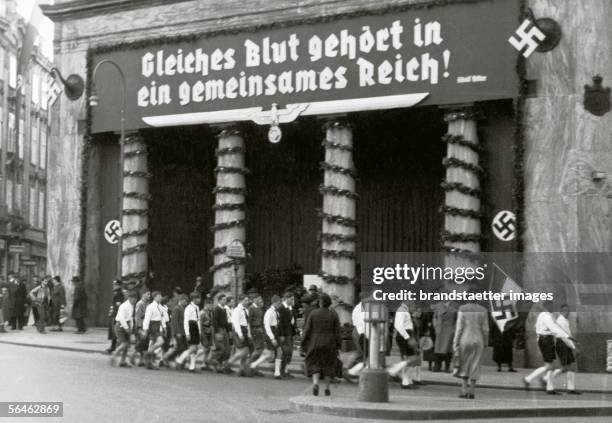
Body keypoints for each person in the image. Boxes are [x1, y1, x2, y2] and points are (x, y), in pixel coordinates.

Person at [523, 301, 575, 394]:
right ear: (546, 307)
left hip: (544, 339)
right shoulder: (547, 317)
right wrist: (567, 336)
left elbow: (541, 328)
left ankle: (546, 387)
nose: (552, 308)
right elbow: (554, 329)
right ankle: (530, 380)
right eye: (550, 306)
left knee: (550, 366)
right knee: (550, 366)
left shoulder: (542, 316)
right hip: (546, 340)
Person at [301, 293, 341, 396]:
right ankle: (327, 388)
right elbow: (337, 332)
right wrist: (338, 346)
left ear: (321, 303)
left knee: (315, 364)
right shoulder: (334, 314)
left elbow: (307, 330)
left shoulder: (313, 314)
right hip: (330, 343)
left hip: (315, 342)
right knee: (328, 365)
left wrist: (303, 344)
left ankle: (315, 384)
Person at [453, 301, 489, 399]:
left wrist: (455, 343)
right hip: (478, 339)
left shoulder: (462, 309)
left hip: (465, 338)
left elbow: (459, 328)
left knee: (464, 364)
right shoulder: (483, 310)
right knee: (476, 364)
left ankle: (464, 390)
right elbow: (485, 329)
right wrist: (486, 342)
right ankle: (472, 391)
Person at [388, 302, 421, 389]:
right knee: (412, 358)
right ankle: (394, 370)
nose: (414, 304)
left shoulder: (405, 311)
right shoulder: (401, 311)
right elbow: (398, 326)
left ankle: (405, 382)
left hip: (405, 335)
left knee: (410, 359)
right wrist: (408, 338)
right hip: (404, 335)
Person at [549, 304, 581, 394]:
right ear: (561, 311)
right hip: (563, 344)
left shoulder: (565, 321)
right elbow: (564, 337)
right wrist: (574, 347)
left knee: (570, 366)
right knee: (567, 367)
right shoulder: (562, 321)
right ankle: (547, 380)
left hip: (565, 344)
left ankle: (571, 388)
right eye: (564, 310)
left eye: (568, 310)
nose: (567, 312)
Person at [250, 295, 282, 377]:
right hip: (271, 333)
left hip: (275, 331)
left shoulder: (275, 311)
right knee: (268, 353)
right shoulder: (269, 312)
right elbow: (267, 326)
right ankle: (254, 364)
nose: (280, 304)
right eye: (279, 302)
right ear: (274, 302)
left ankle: (277, 372)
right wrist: (272, 338)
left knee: (278, 351)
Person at [111, 291, 138, 368]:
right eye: (133, 299)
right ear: (129, 298)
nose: (135, 300)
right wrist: (126, 328)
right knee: (124, 344)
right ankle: (114, 354)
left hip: (127, 325)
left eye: (135, 299)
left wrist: (131, 328)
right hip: (120, 326)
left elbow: (130, 318)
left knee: (127, 345)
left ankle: (122, 361)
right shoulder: (124, 306)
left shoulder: (131, 306)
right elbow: (122, 318)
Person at [228, 294, 253, 377]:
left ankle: (241, 370)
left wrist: (248, 333)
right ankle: (229, 362)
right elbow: (236, 323)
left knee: (245, 353)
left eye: (248, 300)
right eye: (245, 300)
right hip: (240, 331)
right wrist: (240, 334)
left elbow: (247, 322)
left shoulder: (246, 310)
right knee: (244, 351)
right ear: (240, 301)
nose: (247, 302)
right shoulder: (237, 310)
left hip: (245, 330)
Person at [143, 291, 167, 370]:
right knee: (160, 342)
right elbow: (147, 319)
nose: (160, 298)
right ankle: (148, 353)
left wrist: (164, 327)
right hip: (152, 326)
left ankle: (150, 362)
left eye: (161, 296)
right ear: (154, 297)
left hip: (158, 326)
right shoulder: (150, 307)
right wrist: (145, 329)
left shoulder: (161, 307)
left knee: (152, 343)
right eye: (159, 296)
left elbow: (162, 318)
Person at [432, 300, 457, 372]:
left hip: (449, 330)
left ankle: (447, 367)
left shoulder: (455, 305)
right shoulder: (438, 305)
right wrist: (435, 327)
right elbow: (434, 317)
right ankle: (437, 366)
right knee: (438, 348)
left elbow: (457, 319)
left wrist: (454, 330)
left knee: (448, 349)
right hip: (439, 330)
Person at [164, 294, 188, 366]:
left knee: (183, 347)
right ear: (181, 300)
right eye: (185, 301)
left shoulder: (183, 308)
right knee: (178, 347)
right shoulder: (176, 308)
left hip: (183, 332)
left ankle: (180, 362)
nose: (186, 302)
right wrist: (177, 332)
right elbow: (174, 322)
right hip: (178, 332)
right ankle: (167, 357)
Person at [211, 294, 231, 373]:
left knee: (227, 349)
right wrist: (216, 333)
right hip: (219, 330)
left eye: (225, 300)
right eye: (223, 300)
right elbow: (215, 321)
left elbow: (225, 322)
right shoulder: (217, 309)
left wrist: (228, 331)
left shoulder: (224, 309)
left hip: (224, 330)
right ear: (219, 300)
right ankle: (214, 361)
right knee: (221, 348)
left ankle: (218, 364)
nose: (225, 301)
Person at [277, 291, 296, 379]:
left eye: (293, 299)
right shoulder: (281, 308)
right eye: (291, 299)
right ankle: (282, 371)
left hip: (289, 333)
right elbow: (280, 323)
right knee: (286, 352)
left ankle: (285, 370)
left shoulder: (290, 308)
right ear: (286, 299)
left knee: (289, 353)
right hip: (284, 334)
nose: (293, 300)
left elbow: (292, 321)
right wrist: (282, 335)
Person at [347, 300, 367, 377]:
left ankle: (350, 368)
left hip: (357, 330)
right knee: (363, 353)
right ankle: (350, 369)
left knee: (361, 352)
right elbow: (362, 321)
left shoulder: (357, 307)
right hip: (360, 331)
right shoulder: (362, 308)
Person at [183, 292, 202, 372]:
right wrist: (187, 333)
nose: (199, 300)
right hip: (191, 328)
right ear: (194, 299)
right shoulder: (189, 308)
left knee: (195, 349)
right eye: (198, 298)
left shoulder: (197, 307)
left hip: (196, 328)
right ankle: (181, 359)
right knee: (193, 348)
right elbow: (186, 321)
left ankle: (192, 366)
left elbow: (198, 320)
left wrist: (199, 331)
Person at [248, 293, 265, 375]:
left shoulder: (259, 308)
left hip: (260, 330)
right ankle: (249, 366)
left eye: (260, 299)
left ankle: (254, 368)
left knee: (259, 350)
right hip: (254, 330)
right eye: (259, 299)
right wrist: (249, 333)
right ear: (254, 299)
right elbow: (248, 322)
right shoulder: (251, 308)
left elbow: (261, 320)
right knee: (258, 349)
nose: (260, 300)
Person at [133, 291, 151, 366]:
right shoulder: (140, 304)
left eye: (150, 294)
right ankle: (132, 357)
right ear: (143, 295)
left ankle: (141, 360)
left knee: (145, 344)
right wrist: (139, 328)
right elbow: (137, 317)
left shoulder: (148, 304)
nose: (149, 296)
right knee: (140, 343)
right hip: (141, 327)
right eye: (148, 294)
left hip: (146, 326)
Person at [107, 280, 124, 354]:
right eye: (114, 285)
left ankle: (114, 347)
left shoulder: (119, 294)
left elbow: (118, 306)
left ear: (119, 285)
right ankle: (113, 346)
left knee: (115, 331)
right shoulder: (116, 293)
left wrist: (115, 315)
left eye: (116, 285)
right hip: (114, 314)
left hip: (116, 315)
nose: (114, 286)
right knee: (113, 331)